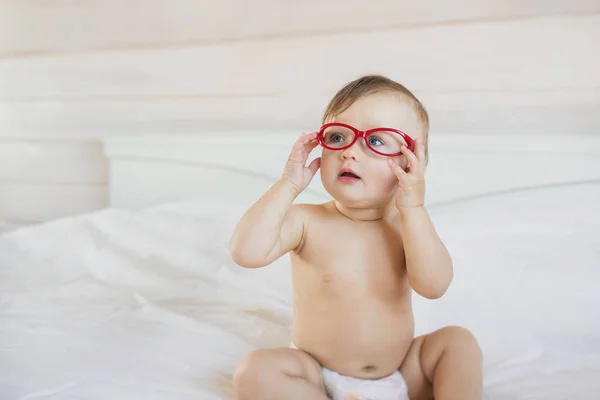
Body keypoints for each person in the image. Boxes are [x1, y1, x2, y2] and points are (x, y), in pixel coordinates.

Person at [229, 75, 483, 400]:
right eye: (337, 137)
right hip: (316, 374)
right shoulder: (307, 220)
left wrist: (414, 209)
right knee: (256, 370)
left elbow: (434, 286)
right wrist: (288, 185)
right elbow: (246, 253)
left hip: (402, 371)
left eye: (376, 141)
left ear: (411, 165)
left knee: (457, 342)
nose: (349, 153)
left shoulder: (409, 226)